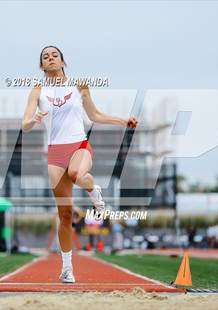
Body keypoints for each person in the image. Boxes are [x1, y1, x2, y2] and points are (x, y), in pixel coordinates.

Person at [22, 45, 138, 283]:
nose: (50, 58)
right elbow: (24, 124)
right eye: (46, 57)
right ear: (41, 66)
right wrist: (33, 119)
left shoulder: (79, 85)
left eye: (55, 55)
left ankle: (93, 189)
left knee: (76, 173)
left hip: (79, 145)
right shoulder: (37, 90)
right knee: (64, 214)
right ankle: (67, 268)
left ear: (64, 62)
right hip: (55, 152)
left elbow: (95, 115)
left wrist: (123, 120)